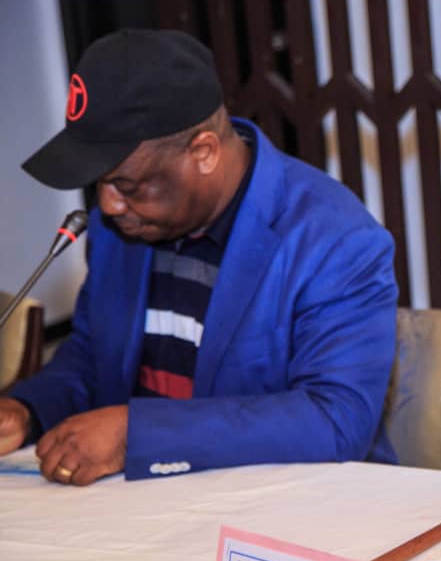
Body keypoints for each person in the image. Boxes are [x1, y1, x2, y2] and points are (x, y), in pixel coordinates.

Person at [0, 29, 398, 485]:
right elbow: (93, 357)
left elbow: (336, 420)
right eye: (99, 184)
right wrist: (29, 409)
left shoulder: (332, 238)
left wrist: (136, 435)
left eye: (127, 185)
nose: (108, 205)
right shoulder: (119, 230)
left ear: (204, 152)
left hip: (293, 504)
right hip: (138, 504)